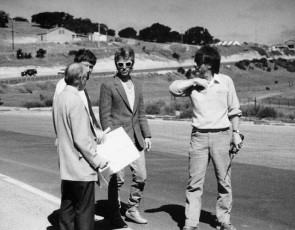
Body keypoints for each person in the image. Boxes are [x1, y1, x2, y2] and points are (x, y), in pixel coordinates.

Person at [169, 45, 242, 230]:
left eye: (198, 63)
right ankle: (191, 223)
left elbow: (234, 111)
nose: (195, 65)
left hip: (222, 136)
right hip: (198, 137)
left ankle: (223, 220)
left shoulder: (225, 81)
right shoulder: (193, 84)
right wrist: (194, 81)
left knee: (224, 181)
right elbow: (173, 89)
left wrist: (236, 134)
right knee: (194, 183)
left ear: (208, 64)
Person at [99, 47, 152, 228]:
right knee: (118, 180)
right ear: (116, 64)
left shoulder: (137, 84)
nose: (124, 67)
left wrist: (147, 135)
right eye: (120, 64)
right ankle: (114, 213)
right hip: (118, 139)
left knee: (141, 176)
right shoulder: (108, 85)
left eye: (127, 64)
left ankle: (132, 208)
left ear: (132, 64)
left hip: (136, 138)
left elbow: (141, 113)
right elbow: (105, 116)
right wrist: (111, 139)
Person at [52, 63, 108, 230]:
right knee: (84, 213)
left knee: (67, 211)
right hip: (81, 168)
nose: (87, 81)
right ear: (81, 79)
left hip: (66, 165)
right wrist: (97, 160)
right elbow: (81, 140)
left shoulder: (60, 98)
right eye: (86, 77)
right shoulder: (76, 101)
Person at [53, 49, 104, 141]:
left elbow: (89, 115)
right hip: (73, 143)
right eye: (86, 66)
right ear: (75, 65)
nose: (89, 70)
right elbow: (60, 117)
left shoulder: (82, 87)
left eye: (91, 67)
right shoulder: (64, 85)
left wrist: (97, 132)